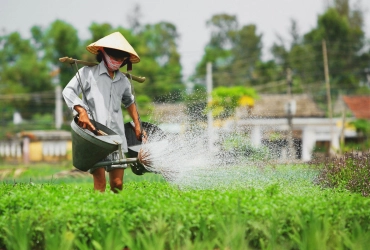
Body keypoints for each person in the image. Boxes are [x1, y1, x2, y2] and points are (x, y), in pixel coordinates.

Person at [62, 32, 143, 192]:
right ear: (103, 53)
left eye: (121, 58)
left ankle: (116, 213)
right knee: (100, 184)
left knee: (117, 185)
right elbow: (68, 91)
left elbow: (130, 101)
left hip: (116, 138)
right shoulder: (87, 73)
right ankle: (98, 212)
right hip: (94, 137)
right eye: (114, 56)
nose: (117, 61)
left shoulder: (123, 81)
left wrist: (137, 125)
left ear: (125, 60)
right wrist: (81, 111)